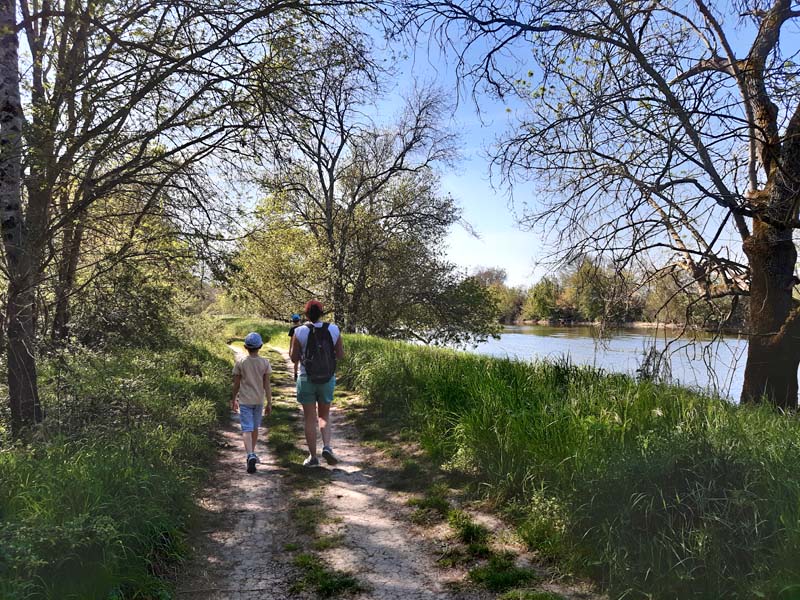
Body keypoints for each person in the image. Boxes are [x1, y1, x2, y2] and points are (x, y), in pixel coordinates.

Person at [289, 300, 344, 467]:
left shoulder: (299, 331)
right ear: (322, 313)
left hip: (306, 378)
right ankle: (327, 446)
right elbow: (340, 355)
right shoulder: (334, 329)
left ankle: (313, 457)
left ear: (306, 315)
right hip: (327, 378)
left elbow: (293, 357)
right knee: (324, 415)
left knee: (309, 418)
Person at [231, 332, 272, 474]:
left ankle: (250, 454)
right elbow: (267, 385)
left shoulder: (241, 362)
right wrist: (269, 402)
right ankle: (252, 453)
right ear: (260, 346)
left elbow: (236, 384)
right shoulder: (265, 363)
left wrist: (233, 399)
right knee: (254, 428)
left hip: (244, 400)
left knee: (246, 429)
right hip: (259, 400)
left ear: (245, 347)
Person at [288, 313, 302, 381]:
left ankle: (295, 375)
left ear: (293, 321)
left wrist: (290, 349)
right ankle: (302, 375)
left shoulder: (292, 329)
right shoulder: (303, 328)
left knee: (296, 362)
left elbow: (291, 340)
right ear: (299, 320)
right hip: (302, 346)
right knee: (303, 362)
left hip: (295, 347)